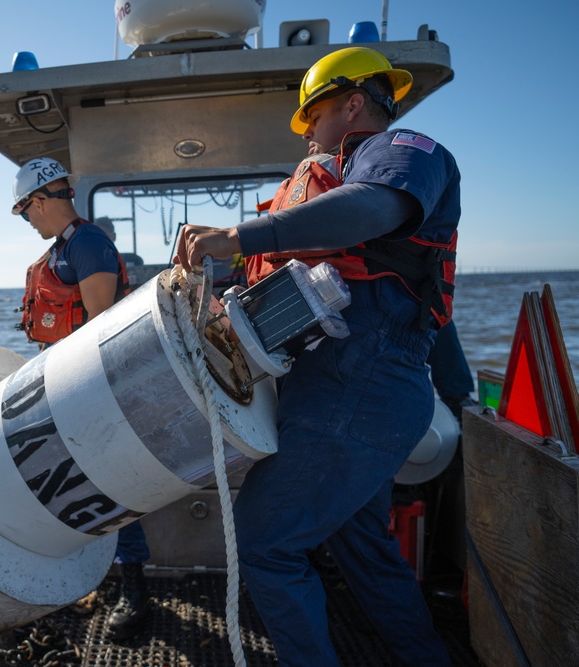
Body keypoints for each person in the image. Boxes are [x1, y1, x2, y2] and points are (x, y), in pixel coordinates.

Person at [173, 47, 458, 666]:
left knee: (265, 545)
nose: (307, 140)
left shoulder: (402, 151)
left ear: (354, 103)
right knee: (362, 544)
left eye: (314, 118)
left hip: (362, 385)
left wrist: (238, 235)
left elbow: (373, 209)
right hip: (341, 389)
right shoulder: (335, 171)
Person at [11, 157, 151, 639]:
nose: (27, 218)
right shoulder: (64, 248)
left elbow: (101, 325)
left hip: (94, 390)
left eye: (26, 209)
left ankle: (134, 594)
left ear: (43, 200)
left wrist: (79, 395)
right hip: (67, 387)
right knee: (82, 487)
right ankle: (99, 579)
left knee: (112, 486)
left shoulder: (87, 244)